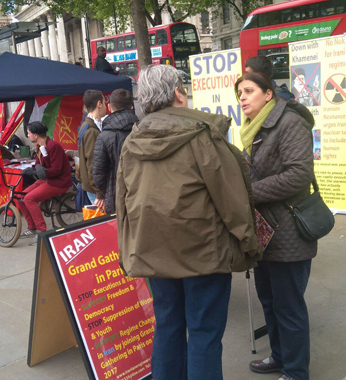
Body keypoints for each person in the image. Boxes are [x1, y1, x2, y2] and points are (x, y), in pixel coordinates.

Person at [116, 65, 261, 380]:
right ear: (179, 93)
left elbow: (123, 202)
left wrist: (127, 249)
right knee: (204, 334)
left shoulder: (132, 141)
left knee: (168, 327)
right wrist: (249, 244)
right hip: (203, 255)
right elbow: (231, 199)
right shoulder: (202, 135)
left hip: (152, 253)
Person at [236, 72, 316, 380]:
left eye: (249, 91)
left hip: (290, 230)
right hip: (263, 234)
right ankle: (280, 357)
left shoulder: (289, 123)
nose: (242, 97)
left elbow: (299, 175)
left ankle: (297, 372)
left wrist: (248, 193)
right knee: (269, 300)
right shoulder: (251, 131)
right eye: (239, 93)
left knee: (289, 306)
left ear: (268, 94)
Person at [18, 122, 73, 244]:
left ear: (36, 135)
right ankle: (31, 227)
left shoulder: (53, 146)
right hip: (47, 180)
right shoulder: (39, 146)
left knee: (29, 199)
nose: (28, 135)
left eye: (28, 133)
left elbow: (57, 169)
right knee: (20, 196)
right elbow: (39, 165)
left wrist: (43, 171)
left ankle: (41, 230)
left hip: (58, 182)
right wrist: (33, 170)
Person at [92, 88, 138, 214]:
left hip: (116, 197)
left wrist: (108, 190)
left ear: (109, 106)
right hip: (142, 195)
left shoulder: (104, 136)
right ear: (131, 107)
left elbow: (98, 175)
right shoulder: (143, 130)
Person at [77, 90, 107, 207]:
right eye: (104, 103)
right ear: (99, 104)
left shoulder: (88, 126)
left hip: (92, 187)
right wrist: (100, 192)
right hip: (95, 189)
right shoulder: (91, 130)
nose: (106, 106)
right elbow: (93, 164)